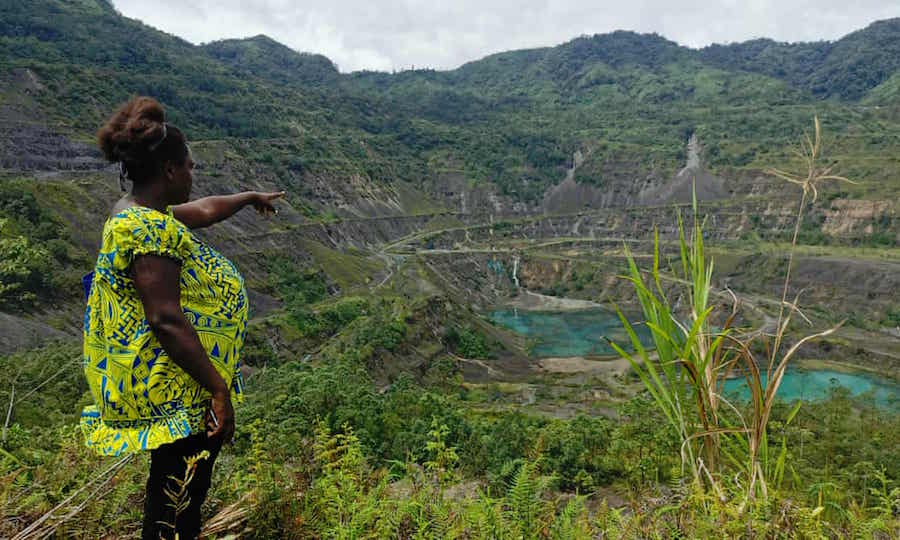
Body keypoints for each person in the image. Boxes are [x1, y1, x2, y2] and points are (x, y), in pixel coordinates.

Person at [80, 96, 284, 539]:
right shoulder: (147, 229)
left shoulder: (143, 213)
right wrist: (218, 389)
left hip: (179, 383)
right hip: (177, 388)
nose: (194, 175)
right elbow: (165, 319)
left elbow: (207, 210)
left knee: (179, 490)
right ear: (170, 170)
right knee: (176, 501)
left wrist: (249, 197)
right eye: (190, 167)